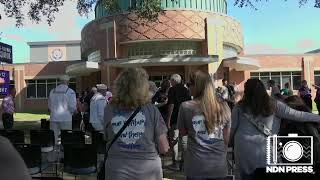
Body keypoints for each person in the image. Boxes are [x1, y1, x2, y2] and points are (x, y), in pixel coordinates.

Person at [230, 79, 320, 180]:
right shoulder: (275, 105)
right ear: (263, 90)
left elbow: (232, 129)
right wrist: (318, 118)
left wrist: (229, 144)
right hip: (265, 150)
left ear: (246, 91)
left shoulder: (239, 107)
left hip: (243, 150)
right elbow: (298, 115)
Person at [104, 67, 169, 180]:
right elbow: (164, 147)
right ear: (144, 87)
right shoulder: (152, 110)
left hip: (117, 168)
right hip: (148, 170)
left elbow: (107, 136)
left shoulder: (109, 109)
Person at [178, 71, 231, 179]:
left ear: (196, 86)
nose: (188, 87)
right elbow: (226, 138)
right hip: (218, 164)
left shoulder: (185, 107)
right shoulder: (224, 106)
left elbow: (183, 133)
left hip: (196, 165)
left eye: (189, 84)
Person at [166, 74, 191, 170]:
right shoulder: (186, 90)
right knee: (184, 141)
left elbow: (171, 104)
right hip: (185, 118)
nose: (170, 83)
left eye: (171, 81)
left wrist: (168, 119)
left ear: (173, 81)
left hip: (175, 118)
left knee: (174, 141)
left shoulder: (172, 90)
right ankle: (184, 164)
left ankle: (175, 163)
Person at [48, 75, 77, 143]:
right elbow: (72, 106)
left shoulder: (52, 91)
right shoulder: (70, 91)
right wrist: (73, 112)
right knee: (66, 137)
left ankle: (53, 150)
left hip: (54, 117)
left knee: (53, 137)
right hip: (66, 118)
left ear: (60, 82)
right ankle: (64, 151)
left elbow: (49, 106)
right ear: (68, 82)